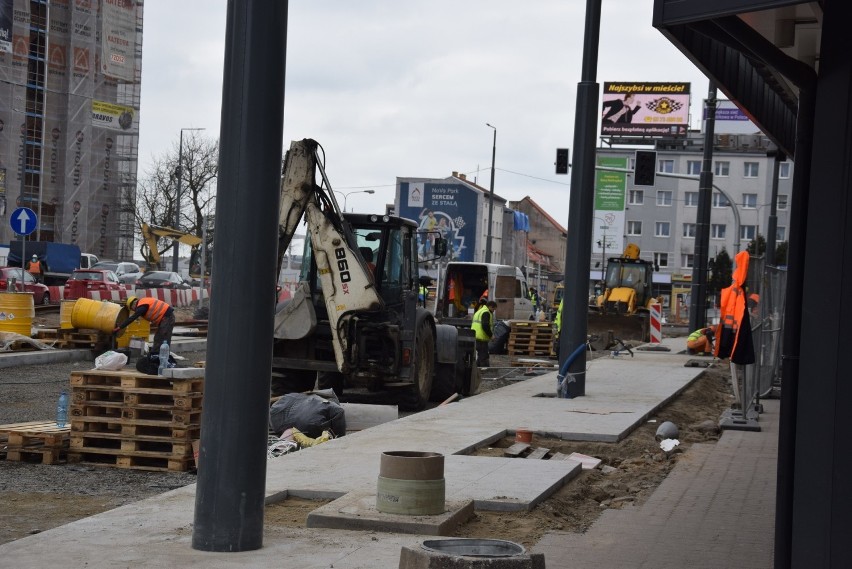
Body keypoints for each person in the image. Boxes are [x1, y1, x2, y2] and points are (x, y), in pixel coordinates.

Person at [471, 300, 497, 367]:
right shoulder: (486, 312)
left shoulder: (479, 311)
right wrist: (491, 335)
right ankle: (484, 371)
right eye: (493, 309)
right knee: (484, 356)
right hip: (481, 337)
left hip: (475, 336)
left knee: (480, 355)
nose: (493, 311)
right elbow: (485, 326)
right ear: (490, 307)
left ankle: (477, 369)